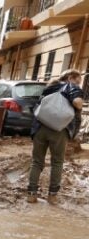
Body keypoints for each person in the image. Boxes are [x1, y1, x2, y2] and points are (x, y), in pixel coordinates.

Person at [27, 69, 84, 205]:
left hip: (40, 127)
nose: (79, 83)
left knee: (36, 162)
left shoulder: (50, 87)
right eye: (78, 80)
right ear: (70, 77)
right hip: (59, 130)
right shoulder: (71, 87)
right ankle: (52, 196)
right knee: (57, 162)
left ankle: (31, 194)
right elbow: (78, 102)